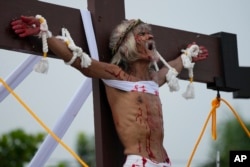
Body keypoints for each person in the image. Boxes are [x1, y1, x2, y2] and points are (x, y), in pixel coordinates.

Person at [11, 16, 208, 167]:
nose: (150, 36)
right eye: (141, 34)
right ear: (127, 45)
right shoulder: (116, 75)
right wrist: (44, 33)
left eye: (149, 33)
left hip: (166, 161)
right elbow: (81, 62)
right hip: (139, 162)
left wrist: (189, 52)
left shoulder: (154, 79)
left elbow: (175, 65)